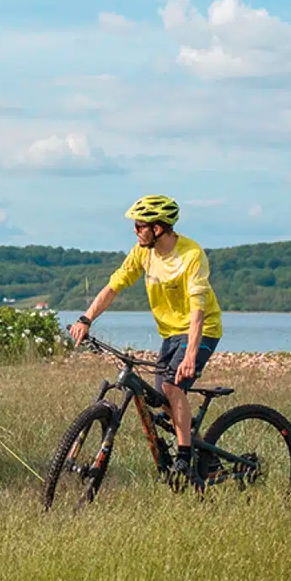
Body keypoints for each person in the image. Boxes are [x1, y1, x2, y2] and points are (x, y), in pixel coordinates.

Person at [68, 195, 223, 487]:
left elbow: (198, 310)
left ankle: (185, 456)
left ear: (160, 227)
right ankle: (206, 457)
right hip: (169, 333)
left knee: (172, 387)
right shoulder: (143, 253)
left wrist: (190, 356)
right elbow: (115, 286)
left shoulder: (191, 255)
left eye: (140, 225)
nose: (135, 230)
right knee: (162, 399)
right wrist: (86, 319)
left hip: (202, 330)